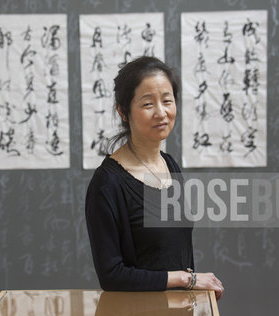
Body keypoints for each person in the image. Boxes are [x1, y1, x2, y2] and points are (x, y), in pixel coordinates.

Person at [85, 56, 224, 299]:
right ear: (123, 111)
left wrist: (192, 290)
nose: (161, 112)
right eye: (148, 104)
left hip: (178, 311)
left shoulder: (169, 164)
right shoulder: (107, 183)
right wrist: (187, 279)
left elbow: (178, 250)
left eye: (167, 101)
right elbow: (112, 275)